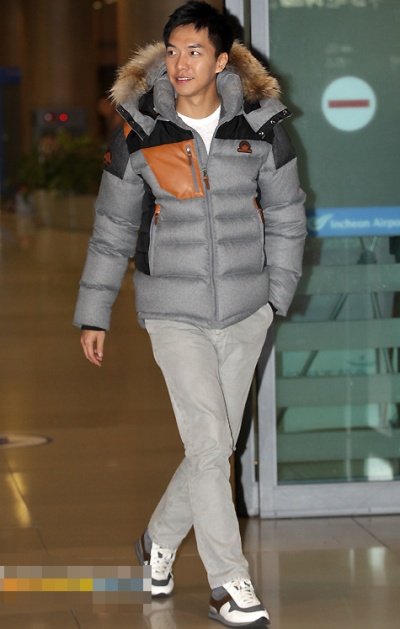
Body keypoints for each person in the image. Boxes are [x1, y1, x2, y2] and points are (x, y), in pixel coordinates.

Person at [74, 2, 306, 626]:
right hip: (173, 311)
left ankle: (158, 539)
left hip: (245, 311)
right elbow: (112, 229)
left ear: (221, 61)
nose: (180, 63)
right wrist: (94, 311)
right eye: (173, 50)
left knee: (214, 445)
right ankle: (229, 583)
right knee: (208, 445)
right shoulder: (140, 130)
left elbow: (287, 215)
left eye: (195, 51)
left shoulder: (261, 125)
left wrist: (274, 297)